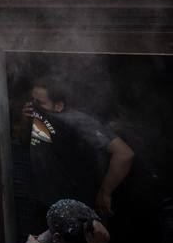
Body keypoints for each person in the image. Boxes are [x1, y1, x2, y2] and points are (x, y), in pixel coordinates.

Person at [22, 80, 134, 222]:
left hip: (73, 208)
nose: (34, 106)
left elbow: (124, 154)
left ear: (59, 106)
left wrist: (105, 192)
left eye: (40, 103)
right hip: (42, 201)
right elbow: (26, 141)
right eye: (33, 100)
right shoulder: (37, 116)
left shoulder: (77, 122)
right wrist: (26, 121)